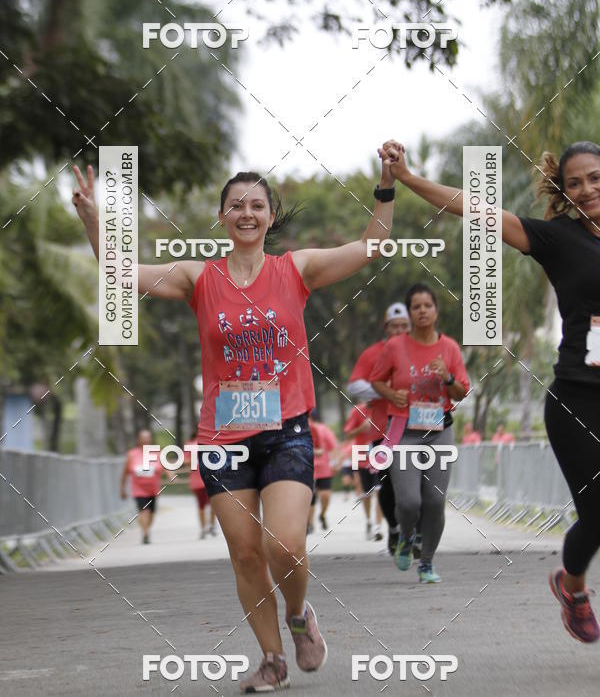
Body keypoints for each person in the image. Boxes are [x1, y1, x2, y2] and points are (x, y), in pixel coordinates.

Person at [72, 147, 396, 690]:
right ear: (222, 216)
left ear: (270, 216)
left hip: (286, 430)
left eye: (257, 205)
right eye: (236, 205)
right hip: (222, 440)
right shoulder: (198, 278)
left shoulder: (295, 269)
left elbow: (372, 246)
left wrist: (386, 187)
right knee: (246, 554)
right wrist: (92, 219)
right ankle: (272, 658)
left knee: (285, 544)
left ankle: (299, 615)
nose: (247, 213)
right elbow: (121, 272)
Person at [381, 137, 600, 640]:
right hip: (579, 399)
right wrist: (408, 178)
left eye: (595, 178)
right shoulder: (557, 238)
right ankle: (572, 586)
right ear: (563, 191)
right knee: (598, 513)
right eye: (575, 183)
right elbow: (474, 209)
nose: (587, 189)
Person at [370, 283, 469, 583]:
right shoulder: (395, 347)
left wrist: (447, 378)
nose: (422, 311)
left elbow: (461, 392)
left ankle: (426, 563)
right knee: (409, 502)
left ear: (436, 311)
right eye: (416, 307)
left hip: (440, 431)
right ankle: (406, 536)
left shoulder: (449, 348)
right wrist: (392, 394)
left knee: (435, 501)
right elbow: (376, 380)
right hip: (404, 431)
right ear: (410, 312)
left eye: (428, 305)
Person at [347, 302, 411, 553]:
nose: (399, 331)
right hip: (383, 432)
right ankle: (394, 528)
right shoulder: (373, 353)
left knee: (415, 485)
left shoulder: (421, 350)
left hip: (417, 429)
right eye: (394, 326)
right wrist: (385, 392)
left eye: (404, 326)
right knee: (388, 485)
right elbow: (354, 385)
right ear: (386, 328)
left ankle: (413, 532)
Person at [343, 401, 384, 539]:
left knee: (379, 491)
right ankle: (369, 521)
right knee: (367, 494)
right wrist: (362, 428)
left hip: (380, 457)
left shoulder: (384, 408)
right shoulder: (357, 411)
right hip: (362, 458)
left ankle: (378, 527)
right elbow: (347, 435)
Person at [120, 429, 168, 545]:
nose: (146, 440)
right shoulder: (132, 454)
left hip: (153, 489)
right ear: (139, 440)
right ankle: (145, 533)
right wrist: (122, 489)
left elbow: (165, 466)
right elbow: (125, 473)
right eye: (144, 438)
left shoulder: (156, 453)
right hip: (138, 489)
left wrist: (170, 474)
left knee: (151, 513)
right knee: (143, 510)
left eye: (148, 437)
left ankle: (147, 529)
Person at [184, 429, 217, 538]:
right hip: (197, 480)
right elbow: (184, 460)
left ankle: (211, 525)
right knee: (201, 505)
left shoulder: (210, 442)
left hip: (210, 478)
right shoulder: (190, 444)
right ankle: (204, 528)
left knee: (213, 503)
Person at [308, 414, 338, 532]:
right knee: (311, 496)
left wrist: (335, 463)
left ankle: (322, 515)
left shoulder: (323, 429)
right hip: (308, 467)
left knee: (325, 495)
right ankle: (310, 523)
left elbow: (333, 447)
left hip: (324, 467)